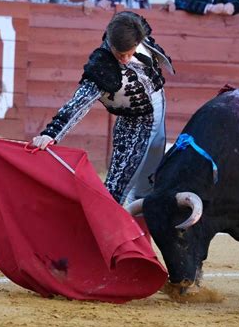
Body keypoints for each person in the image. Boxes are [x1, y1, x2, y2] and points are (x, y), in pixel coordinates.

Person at [32, 11, 175, 205]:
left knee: (150, 180)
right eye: (120, 54)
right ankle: (110, 230)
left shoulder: (135, 28)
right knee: (116, 189)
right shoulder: (103, 66)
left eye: (129, 53)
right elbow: (79, 103)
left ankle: (141, 232)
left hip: (159, 102)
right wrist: (51, 133)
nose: (124, 59)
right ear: (111, 43)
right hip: (134, 121)